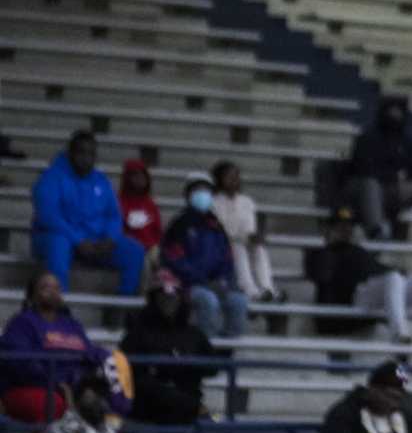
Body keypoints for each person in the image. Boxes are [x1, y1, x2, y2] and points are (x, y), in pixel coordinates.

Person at [304, 212, 412, 349]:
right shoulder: (320, 253)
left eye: (347, 226)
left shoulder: (357, 250)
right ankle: (399, 334)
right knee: (394, 277)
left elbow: (379, 269)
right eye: (339, 227)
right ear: (329, 229)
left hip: (384, 292)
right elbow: (322, 276)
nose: (345, 230)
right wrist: (329, 245)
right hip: (355, 298)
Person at [118, 278, 220, 433]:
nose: (168, 303)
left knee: (175, 413)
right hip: (145, 402)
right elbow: (126, 369)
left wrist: (189, 365)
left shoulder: (194, 334)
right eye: (163, 299)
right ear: (154, 301)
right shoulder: (138, 332)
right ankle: (197, 409)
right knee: (172, 401)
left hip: (178, 404)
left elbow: (214, 367)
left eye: (173, 299)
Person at [1, 273, 128, 427]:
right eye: (45, 287)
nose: (53, 292)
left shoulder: (72, 324)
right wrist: (56, 383)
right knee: (52, 402)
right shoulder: (21, 323)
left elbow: (87, 351)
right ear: (32, 296)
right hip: (34, 385)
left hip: (74, 384)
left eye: (57, 288)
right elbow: (20, 362)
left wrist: (106, 358)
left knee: (111, 375)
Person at [29, 132, 145, 295]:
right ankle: (60, 307)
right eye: (81, 152)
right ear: (70, 153)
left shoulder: (101, 180)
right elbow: (49, 217)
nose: (86, 158)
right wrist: (78, 240)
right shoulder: (51, 178)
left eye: (91, 154)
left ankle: (121, 309)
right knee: (58, 243)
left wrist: (110, 238)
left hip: (94, 243)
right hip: (61, 238)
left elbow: (113, 214)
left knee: (134, 250)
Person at [344, 97, 412, 244]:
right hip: (361, 189)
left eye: (399, 112)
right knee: (371, 182)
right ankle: (375, 230)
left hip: (392, 190)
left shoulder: (405, 141)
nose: (396, 116)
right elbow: (364, 169)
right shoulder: (367, 138)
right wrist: (394, 178)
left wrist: (411, 181)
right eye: (392, 112)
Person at [158, 171, 249, 339]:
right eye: (198, 191)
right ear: (188, 195)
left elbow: (227, 260)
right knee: (208, 300)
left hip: (216, 284)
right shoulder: (179, 225)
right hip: (187, 285)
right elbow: (174, 260)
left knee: (239, 301)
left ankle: (229, 353)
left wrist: (222, 281)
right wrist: (201, 281)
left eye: (207, 191)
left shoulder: (216, 225)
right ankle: (206, 349)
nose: (203, 195)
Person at [211, 161, 282, 302]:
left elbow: (250, 227)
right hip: (224, 244)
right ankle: (251, 291)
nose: (234, 180)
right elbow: (223, 230)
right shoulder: (213, 202)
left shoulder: (247, 201)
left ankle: (267, 288)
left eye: (236, 176)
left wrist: (254, 237)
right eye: (229, 176)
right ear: (219, 179)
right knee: (238, 248)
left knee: (259, 248)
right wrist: (244, 237)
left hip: (244, 241)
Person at [117, 158, 162, 256]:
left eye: (143, 175)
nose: (140, 178)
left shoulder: (151, 204)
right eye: (135, 175)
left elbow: (158, 233)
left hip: (152, 250)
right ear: (127, 178)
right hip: (131, 249)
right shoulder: (119, 203)